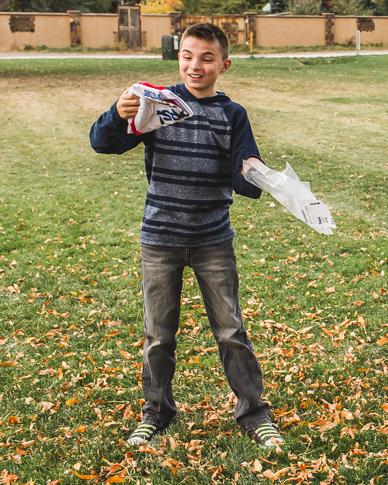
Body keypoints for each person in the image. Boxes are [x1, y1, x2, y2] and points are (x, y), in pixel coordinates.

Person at [89, 23, 283, 449]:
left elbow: (243, 174)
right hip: (160, 238)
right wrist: (115, 113)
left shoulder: (232, 115)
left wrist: (261, 178)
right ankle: (156, 412)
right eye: (188, 56)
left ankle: (253, 412)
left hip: (214, 239)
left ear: (224, 65)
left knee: (231, 330)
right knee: (159, 334)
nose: (195, 65)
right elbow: (104, 144)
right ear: (178, 58)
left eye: (207, 58)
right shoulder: (158, 103)